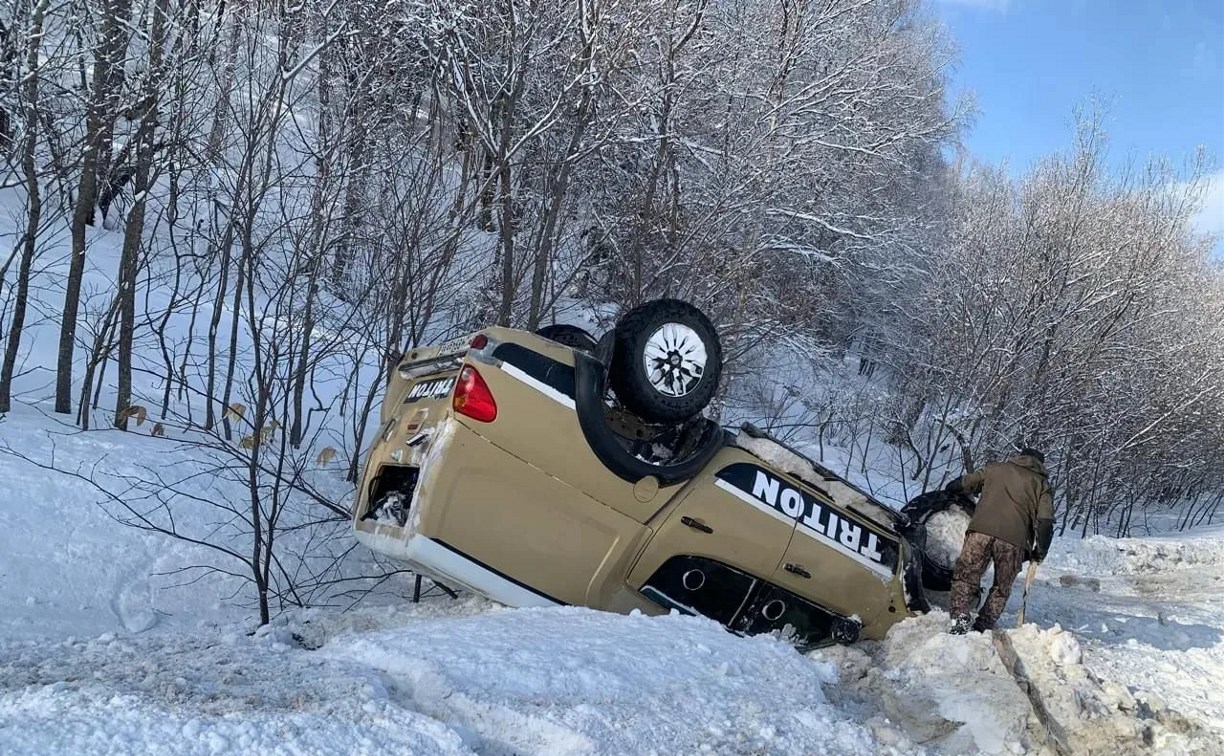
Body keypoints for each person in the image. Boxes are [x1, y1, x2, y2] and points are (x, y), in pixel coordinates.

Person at [944, 448, 1055, 634]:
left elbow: (964, 483)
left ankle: (960, 617)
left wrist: (950, 491)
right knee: (1001, 587)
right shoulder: (1042, 485)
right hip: (1014, 542)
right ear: (1040, 465)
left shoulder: (995, 469)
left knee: (966, 576)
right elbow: (1045, 521)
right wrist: (1040, 550)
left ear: (1019, 457)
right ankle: (983, 627)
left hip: (981, 532)